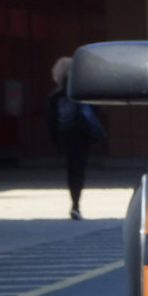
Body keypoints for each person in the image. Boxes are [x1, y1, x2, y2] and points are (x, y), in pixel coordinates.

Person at [46, 56, 105, 219]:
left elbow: (51, 121)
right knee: (78, 170)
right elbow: (95, 112)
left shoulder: (55, 97)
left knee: (71, 170)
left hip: (65, 136)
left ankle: (74, 203)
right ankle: (75, 205)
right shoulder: (84, 95)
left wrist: (55, 142)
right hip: (82, 136)